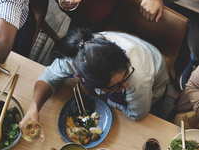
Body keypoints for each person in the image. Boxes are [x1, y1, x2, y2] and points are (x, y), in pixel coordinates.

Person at [21, 28, 169, 121]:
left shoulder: (137, 81)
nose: (125, 85)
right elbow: (49, 78)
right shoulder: (79, 54)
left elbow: (137, 114)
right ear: (85, 80)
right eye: (116, 85)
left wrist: (105, 98)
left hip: (155, 83)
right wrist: (34, 106)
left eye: (126, 75)